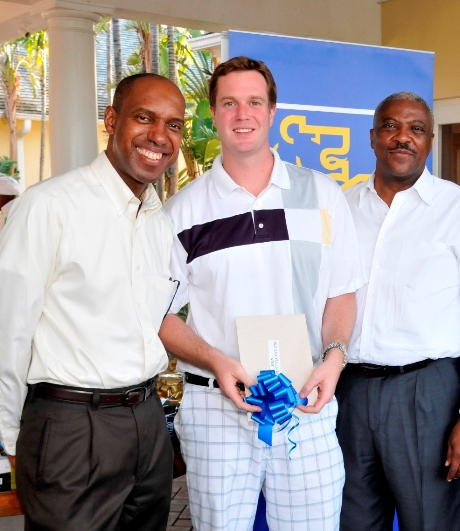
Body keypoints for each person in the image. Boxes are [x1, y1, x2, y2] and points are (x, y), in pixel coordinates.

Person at [0, 73, 186, 531]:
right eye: (144, 117)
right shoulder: (49, 206)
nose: (159, 137)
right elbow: (3, 333)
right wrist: (14, 435)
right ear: (112, 120)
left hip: (148, 423)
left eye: (174, 125)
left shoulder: (156, 221)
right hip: (71, 427)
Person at [158, 56, 363, 531]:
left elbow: (342, 294)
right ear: (213, 113)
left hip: (305, 402)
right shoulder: (182, 211)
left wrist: (333, 359)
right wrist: (215, 360)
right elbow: (161, 315)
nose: (242, 114)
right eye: (229, 103)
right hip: (214, 407)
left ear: (273, 112)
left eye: (254, 102)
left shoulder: (322, 195)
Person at [337, 92, 460, 531]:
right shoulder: (341, 207)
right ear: (372, 137)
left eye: (416, 129)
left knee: (428, 522)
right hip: (349, 390)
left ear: (430, 141)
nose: (402, 138)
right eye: (391, 126)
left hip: (425, 394)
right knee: (351, 520)